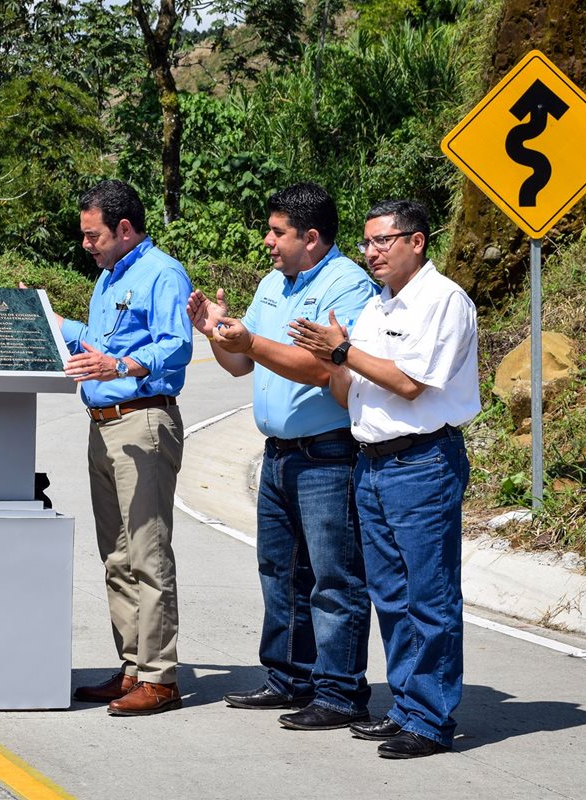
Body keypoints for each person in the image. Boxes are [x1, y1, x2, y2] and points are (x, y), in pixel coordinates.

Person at [290, 198, 480, 759]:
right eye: (368, 242)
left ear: (416, 242)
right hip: (372, 463)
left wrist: (343, 351)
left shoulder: (443, 301)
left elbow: (412, 384)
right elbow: (353, 389)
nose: (371, 252)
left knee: (431, 597)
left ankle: (430, 720)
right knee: (391, 597)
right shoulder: (377, 307)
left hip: (423, 463)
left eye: (383, 241)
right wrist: (335, 365)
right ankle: (406, 707)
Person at [188, 183, 376, 731]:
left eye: (277, 232)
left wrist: (249, 343)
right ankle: (290, 677)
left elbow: (325, 370)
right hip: (276, 454)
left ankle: (340, 692)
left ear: (311, 238)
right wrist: (219, 337)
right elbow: (243, 368)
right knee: (279, 570)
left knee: (334, 578)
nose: (267, 241)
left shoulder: (346, 286)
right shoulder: (273, 284)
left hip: (328, 456)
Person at [52, 179, 193, 716]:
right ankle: (133, 666)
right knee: (116, 554)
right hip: (103, 424)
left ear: (124, 229)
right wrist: (56, 323)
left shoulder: (162, 273)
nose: (86, 245)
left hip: (143, 424)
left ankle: (160, 677)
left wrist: (119, 367)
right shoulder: (110, 277)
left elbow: (176, 346)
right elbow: (103, 341)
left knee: (148, 552)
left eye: (93, 236)